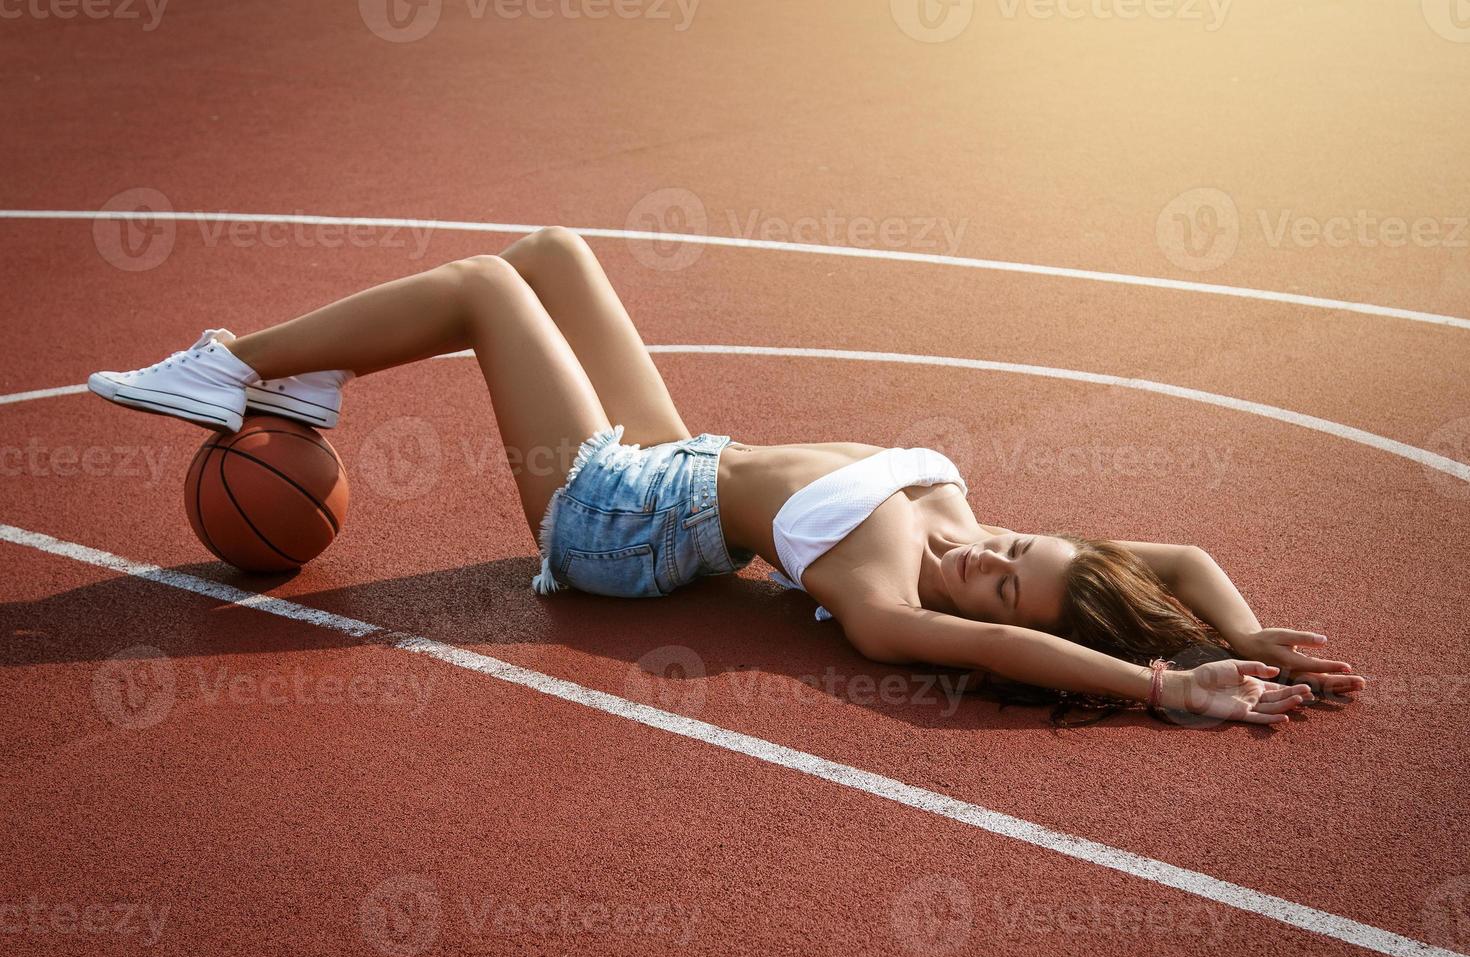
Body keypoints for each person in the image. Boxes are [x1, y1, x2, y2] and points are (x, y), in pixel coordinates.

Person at [86, 226, 1366, 725]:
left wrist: (1161, 685)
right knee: (554, 252)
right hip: (683, 455)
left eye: (997, 589)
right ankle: (296, 385)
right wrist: (1247, 637)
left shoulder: (881, 591)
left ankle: (239, 366)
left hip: (614, 522)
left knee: (482, 291)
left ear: (982, 630)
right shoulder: (971, 525)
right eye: (1018, 545)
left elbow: (1028, 648)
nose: (986, 555)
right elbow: (1179, 562)